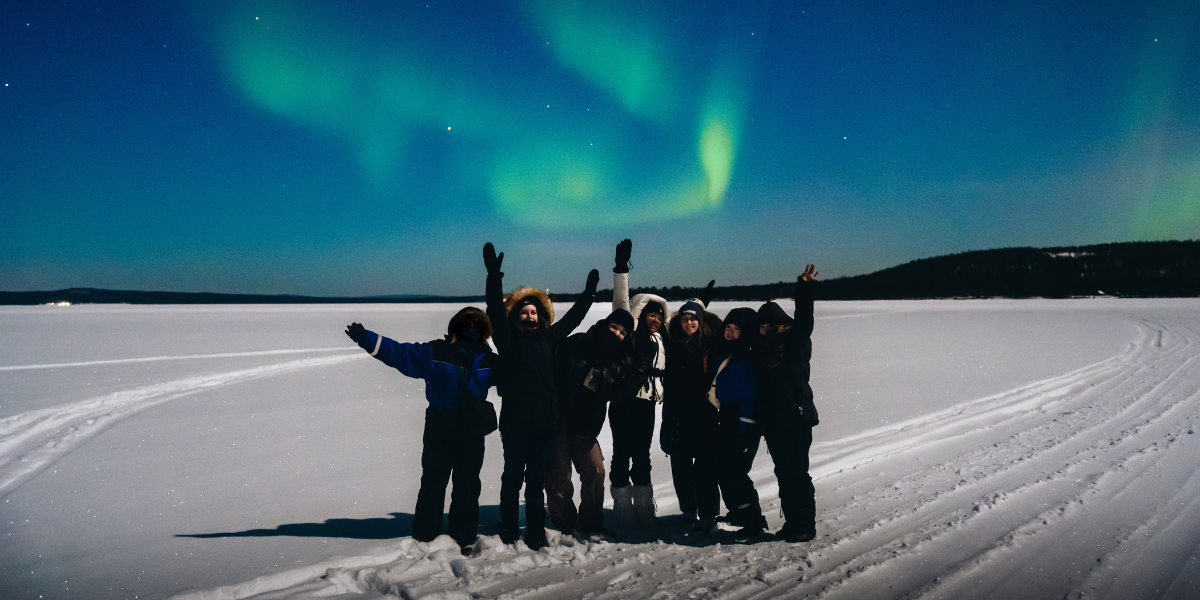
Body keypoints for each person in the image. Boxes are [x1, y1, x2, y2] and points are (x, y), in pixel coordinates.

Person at [343, 307, 496, 554]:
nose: (471, 327)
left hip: (472, 429)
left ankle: (464, 533)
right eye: (466, 322)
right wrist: (367, 338)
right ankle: (425, 533)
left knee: (468, 484)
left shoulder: (488, 359)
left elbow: (518, 376)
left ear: (484, 330)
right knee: (433, 481)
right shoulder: (436, 351)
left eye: (477, 324)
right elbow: (402, 354)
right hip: (440, 425)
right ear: (455, 326)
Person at [483, 242, 599, 550]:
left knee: (535, 480)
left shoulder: (549, 339)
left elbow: (572, 320)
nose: (530, 316)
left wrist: (588, 295)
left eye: (535, 312)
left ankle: (534, 530)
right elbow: (495, 308)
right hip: (516, 424)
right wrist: (494, 276)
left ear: (541, 316)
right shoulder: (507, 341)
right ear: (516, 316)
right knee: (512, 478)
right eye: (525, 311)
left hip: (545, 425)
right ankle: (508, 526)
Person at [545, 308, 635, 536]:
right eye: (614, 327)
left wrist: (639, 373)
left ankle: (592, 523)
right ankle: (563, 521)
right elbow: (552, 373)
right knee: (560, 474)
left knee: (596, 471)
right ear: (605, 324)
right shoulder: (576, 343)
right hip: (559, 421)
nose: (617, 333)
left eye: (623, 332)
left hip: (586, 426)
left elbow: (619, 394)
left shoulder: (621, 361)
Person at [755, 264, 821, 543]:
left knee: (796, 473)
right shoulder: (759, 353)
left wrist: (804, 288)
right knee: (784, 473)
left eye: (772, 325)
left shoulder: (795, 343)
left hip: (795, 417)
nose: (767, 329)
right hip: (773, 422)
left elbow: (804, 318)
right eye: (762, 326)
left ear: (783, 325)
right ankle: (793, 521)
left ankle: (805, 523)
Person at [608, 239, 670, 531]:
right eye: (650, 315)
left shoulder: (664, 340)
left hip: (647, 405)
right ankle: (622, 510)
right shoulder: (632, 334)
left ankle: (644, 510)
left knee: (642, 455)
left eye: (659, 315)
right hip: (624, 402)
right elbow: (622, 303)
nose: (655, 319)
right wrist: (621, 269)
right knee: (621, 453)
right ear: (642, 316)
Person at [659, 283, 723, 533]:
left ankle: (707, 514)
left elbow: (719, 329)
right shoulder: (672, 345)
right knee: (681, 468)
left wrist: (702, 303)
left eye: (693, 319)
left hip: (705, 416)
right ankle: (688, 511)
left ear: (700, 321)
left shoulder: (709, 345)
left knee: (705, 470)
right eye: (685, 319)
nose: (689, 323)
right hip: (677, 415)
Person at [710, 307, 768, 537]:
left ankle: (754, 520)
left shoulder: (744, 358)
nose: (731, 333)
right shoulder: (725, 353)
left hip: (741, 421)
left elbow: (748, 398)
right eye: (728, 328)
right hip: (726, 417)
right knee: (725, 468)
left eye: (737, 329)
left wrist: (743, 430)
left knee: (735, 471)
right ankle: (738, 511)